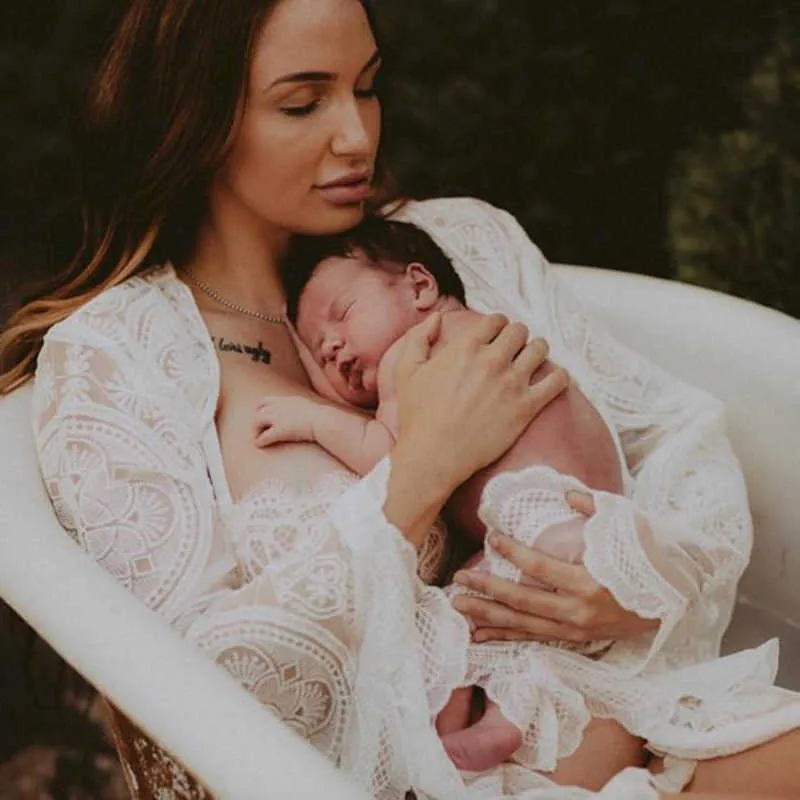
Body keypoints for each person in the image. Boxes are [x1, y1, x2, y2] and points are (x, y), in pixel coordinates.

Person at [1, 0, 800, 797]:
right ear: (195, 121)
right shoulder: (120, 360)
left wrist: (633, 588)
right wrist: (420, 468)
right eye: (303, 102)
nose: (357, 136)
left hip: (638, 729)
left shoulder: (456, 250)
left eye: (368, 86)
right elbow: (186, 706)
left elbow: (679, 444)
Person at [252, 216, 624, 771]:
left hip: (540, 519)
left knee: (457, 612)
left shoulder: (416, 353)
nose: (331, 346)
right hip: (598, 521)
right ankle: (502, 715)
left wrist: (313, 419)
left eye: (342, 316)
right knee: (505, 611)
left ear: (421, 287)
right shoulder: (483, 333)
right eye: (319, 352)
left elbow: (390, 455)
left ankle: (467, 732)